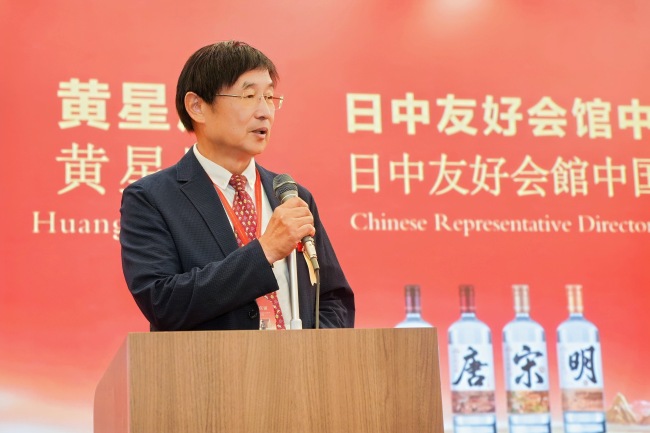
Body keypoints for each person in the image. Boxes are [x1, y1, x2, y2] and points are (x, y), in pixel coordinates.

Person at [119, 41, 355, 331]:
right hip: (211, 362)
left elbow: (333, 298)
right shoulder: (152, 198)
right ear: (197, 107)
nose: (265, 111)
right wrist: (264, 251)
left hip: (300, 360)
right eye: (249, 96)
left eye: (269, 97)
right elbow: (162, 302)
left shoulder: (292, 197)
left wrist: (313, 351)